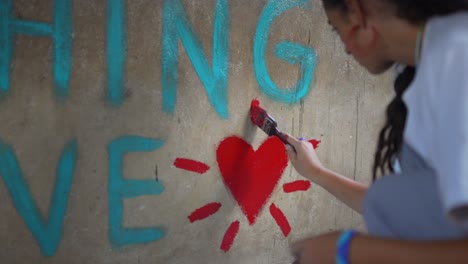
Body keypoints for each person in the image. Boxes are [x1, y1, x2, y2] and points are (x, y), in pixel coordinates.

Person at [283, 0, 468, 263]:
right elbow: (420, 211)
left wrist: (348, 250)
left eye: (336, 30)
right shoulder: (434, 60)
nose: (346, 49)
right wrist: (316, 173)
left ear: (356, 13)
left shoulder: (457, 59)